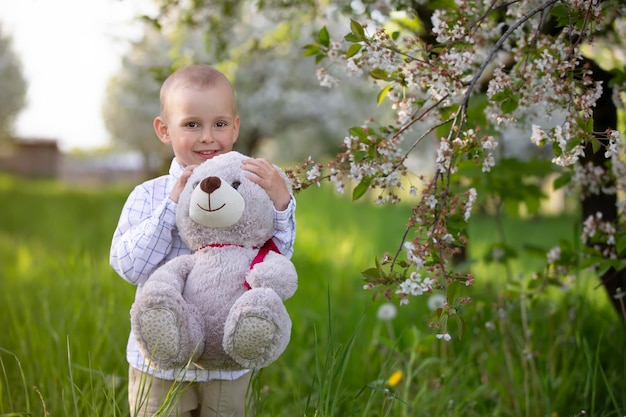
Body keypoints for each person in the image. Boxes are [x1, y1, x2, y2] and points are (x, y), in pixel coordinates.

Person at [110, 64, 296, 417]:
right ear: (164, 130)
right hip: (161, 361)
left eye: (220, 124)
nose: (208, 137)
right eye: (192, 124)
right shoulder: (148, 196)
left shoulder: (249, 189)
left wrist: (282, 204)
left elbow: (275, 262)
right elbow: (129, 268)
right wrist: (170, 208)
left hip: (229, 356)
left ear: (235, 128)